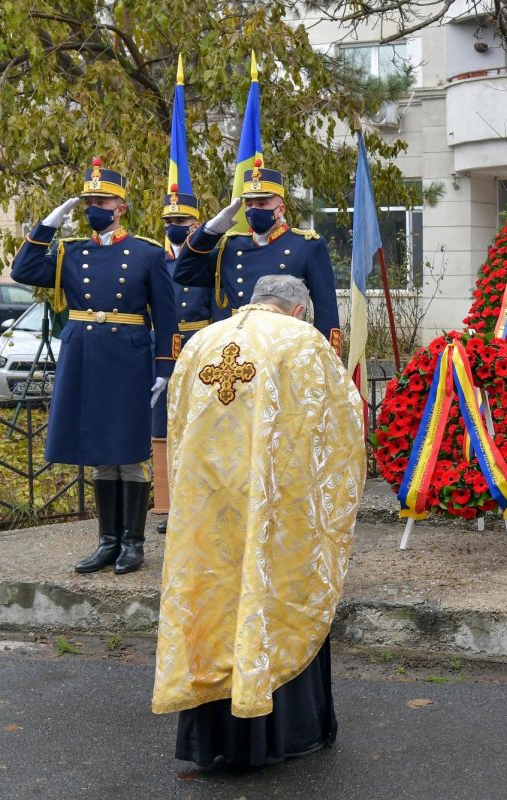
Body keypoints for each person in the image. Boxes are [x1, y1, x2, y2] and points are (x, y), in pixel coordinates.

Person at [151, 274, 365, 770]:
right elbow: (337, 428)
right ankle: (286, 736)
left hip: (208, 519)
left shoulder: (202, 341)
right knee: (272, 601)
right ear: (297, 310)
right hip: (276, 512)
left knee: (212, 606)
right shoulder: (302, 342)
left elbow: (175, 435)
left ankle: (212, 743)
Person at [11, 158, 177, 575]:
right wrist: (48, 225)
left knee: (129, 452)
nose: (93, 208)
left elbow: (167, 316)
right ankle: (107, 542)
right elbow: (23, 269)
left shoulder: (146, 253)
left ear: (120, 206)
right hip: (85, 357)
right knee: (102, 453)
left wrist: (164, 368)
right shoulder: (71, 252)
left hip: (128, 359)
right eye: (88, 202)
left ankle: (133, 544)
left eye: (101, 200)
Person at [174, 160, 339, 341]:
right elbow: (184, 273)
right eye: (250, 204)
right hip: (237, 343)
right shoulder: (231, 246)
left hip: (283, 342)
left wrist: (327, 357)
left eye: (262, 204)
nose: (254, 210)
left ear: (281, 209)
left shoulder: (306, 245)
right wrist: (210, 231)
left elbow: (326, 310)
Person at [152, 185, 214, 535]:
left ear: (196, 223)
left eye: (182, 220)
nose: (174, 225)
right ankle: (174, 505)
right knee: (170, 429)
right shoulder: (154, 260)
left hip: (202, 343)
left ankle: (203, 504)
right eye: (169, 220)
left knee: (202, 428)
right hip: (165, 350)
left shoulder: (209, 257)